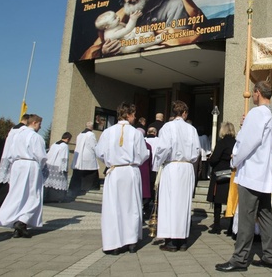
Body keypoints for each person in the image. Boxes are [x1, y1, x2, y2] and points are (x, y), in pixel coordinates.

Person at [215, 81, 272, 272]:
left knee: (246, 217)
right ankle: (271, 256)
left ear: (257, 93)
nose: (252, 96)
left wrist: (234, 159)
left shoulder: (257, 113)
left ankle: (240, 259)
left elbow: (248, 142)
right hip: (265, 173)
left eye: (254, 93)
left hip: (252, 172)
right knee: (266, 215)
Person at [81, 0, 203, 59]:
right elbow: (102, 44)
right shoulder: (128, 10)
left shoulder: (174, 4)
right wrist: (104, 51)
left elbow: (180, 38)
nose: (127, 0)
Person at [95, 102, 150, 255]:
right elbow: (143, 154)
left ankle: (114, 244)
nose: (135, 117)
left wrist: (109, 161)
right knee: (131, 206)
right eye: (134, 114)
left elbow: (99, 152)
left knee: (114, 207)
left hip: (115, 172)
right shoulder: (136, 133)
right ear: (128, 114)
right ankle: (131, 242)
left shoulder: (107, 132)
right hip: (131, 171)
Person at [153, 100, 200, 252]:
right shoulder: (191, 129)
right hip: (187, 167)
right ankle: (183, 240)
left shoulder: (168, 127)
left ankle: (171, 241)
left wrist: (157, 165)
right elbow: (197, 150)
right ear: (184, 113)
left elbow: (164, 148)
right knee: (183, 204)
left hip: (172, 166)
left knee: (170, 203)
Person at [0, 114, 47, 238]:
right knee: (33, 195)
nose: (40, 127)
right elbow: (41, 155)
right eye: (40, 124)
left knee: (17, 194)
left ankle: (17, 224)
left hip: (17, 165)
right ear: (34, 123)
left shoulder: (17, 135)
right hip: (30, 165)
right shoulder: (36, 137)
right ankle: (22, 222)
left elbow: (10, 153)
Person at [206, 122, 236, 235]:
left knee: (217, 201)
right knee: (231, 200)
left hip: (220, 174)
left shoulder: (222, 142)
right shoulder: (236, 142)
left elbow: (214, 159)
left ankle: (217, 225)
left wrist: (210, 160)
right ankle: (231, 227)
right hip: (232, 173)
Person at [0, 113, 29, 208]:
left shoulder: (13, 129)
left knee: (3, 179)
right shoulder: (23, 130)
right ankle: (4, 202)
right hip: (14, 157)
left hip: (6, 155)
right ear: (27, 120)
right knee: (10, 180)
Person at [68, 122, 99, 199]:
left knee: (78, 172)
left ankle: (76, 188)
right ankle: (90, 186)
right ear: (91, 127)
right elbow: (93, 145)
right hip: (87, 155)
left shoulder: (80, 134)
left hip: (79, 156)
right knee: (91, 170)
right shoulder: (91, 134)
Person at [43, 132, 72, 203]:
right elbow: (64, 158)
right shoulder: (64, 146)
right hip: (58, 167)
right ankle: (57, 198)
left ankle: (47, 197)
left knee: (48, 183)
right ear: (68, 139)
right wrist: (64, 168)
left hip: (49, 165)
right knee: (59, 182)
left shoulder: (55, 144)